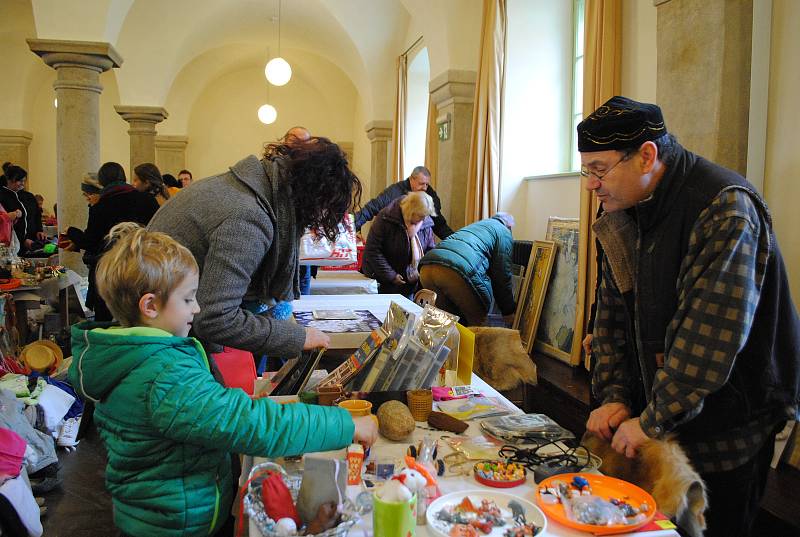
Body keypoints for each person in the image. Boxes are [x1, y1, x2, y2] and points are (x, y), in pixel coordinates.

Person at [580, 96, 800, 537]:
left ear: (646, 155)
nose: (591, 185)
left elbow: (709, 341)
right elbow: (610, 317)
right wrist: (613, 393)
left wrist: (652, 417)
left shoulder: (723, 207)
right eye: (587, 170)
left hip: (728, 428)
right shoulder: (623, 208)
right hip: (661, 419)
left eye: (600, 170)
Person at [69, 223, 377, 537]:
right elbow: (253, 425)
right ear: (149, 306)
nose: (198, 308)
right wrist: (346, 424)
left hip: (153, 512)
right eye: (188, 299)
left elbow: (201, 415)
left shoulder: (136, 357)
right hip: (178, 524)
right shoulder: (163, 376)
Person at [148, 137, 362, 359]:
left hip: (159, 323)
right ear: (314, 198)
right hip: (162, 340)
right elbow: (215, 318)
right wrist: (297, 337)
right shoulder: (249, 217)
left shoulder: (252, 188)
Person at [64, 162, 160, 321]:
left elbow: (91, 241)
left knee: (106, 320)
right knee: (139, 316)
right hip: (142, 267)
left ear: (102, 182)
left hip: (110, 271)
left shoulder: (101, 205)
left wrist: (70, 231)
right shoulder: (147, 200)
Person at [418, 213, 516, 326]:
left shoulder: (479, 225)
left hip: (426, 268)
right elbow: (502, 275)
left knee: (447, 324)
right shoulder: (504, 232)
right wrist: (508, 311)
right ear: (509, 226)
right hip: (455, 271)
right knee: (478, 325)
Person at [361, 191, 436, 298]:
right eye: (421, 216)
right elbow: (373, 251)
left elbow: (429, 251)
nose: (423, 219)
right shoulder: (385, 218)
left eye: (425, 216)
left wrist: (421, 274)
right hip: (382, 281)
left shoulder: (425, 223)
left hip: (409, 283)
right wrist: (391, 276)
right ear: (411, 211)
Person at [354, 166, 454, 240]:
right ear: (411, 179)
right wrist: (352, 227)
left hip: (419, 243)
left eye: (427, 184)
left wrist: (455, 241)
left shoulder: (428, 192)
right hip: (394, 240)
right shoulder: (394, 192)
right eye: (421, 184)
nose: (424, 187)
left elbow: (439, 223)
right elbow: (371, 208)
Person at [0, 162, 45, 253]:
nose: (23, 184)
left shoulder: (29, 196)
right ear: (9, 180)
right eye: (20, 181)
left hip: (31, 242)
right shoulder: (2, 196)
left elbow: (36, 215)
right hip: (11, 243)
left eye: (24, 181)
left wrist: (39, 230)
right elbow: (4, 224)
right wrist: (22, 240)